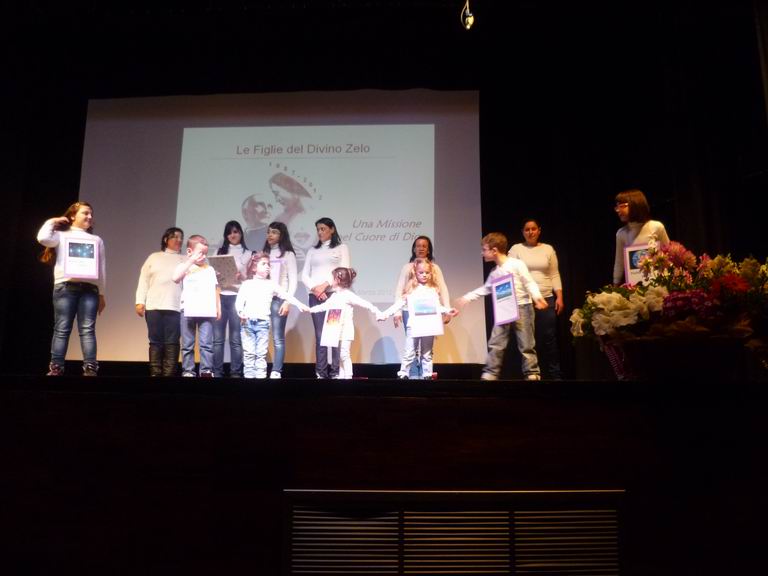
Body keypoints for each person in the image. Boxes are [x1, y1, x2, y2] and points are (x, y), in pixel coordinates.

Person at [455, 232, 548, 381]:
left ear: (494, 250)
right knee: (496, 342)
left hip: (522, 306)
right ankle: (491, 372)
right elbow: (486, 288)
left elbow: (528, 281)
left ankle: (532, 372)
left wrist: (537, 297)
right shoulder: (495, 272)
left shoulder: (516, 264)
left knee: (526, 343)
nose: (482, 253)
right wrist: (467, 297)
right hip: (504, 309)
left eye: (484, 249)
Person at [37, 201, 106, 376]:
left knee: (87, 329)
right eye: (85, 213)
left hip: (89, 289)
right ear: (73, 216)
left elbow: (102, 269)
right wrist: (53, 221)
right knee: (62, 328)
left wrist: (102, 294)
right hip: (65, 287)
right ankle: (56, 367)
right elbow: (43, 238)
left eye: (91, 214)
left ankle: (90, 367)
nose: (90, 217)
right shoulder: (61, 235)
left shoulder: (96, 240)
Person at [236, 252, 309, 379]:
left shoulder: (271, 284)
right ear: (254, 267)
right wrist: (240, 312)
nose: (267, 266)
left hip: (263, 324)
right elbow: (239, 301)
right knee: (249, 354)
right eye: (263, 264)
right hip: (247, 323)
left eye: (268, 264)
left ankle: (260, 379)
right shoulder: (247, 284)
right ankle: (248, 379)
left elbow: (286, 295)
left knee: (260, 354)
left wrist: (299, 304)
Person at [381, 258, 457, 380]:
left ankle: (427, 374)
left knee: (427, 352)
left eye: (427, 272)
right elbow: (400, 304)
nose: (424, 275)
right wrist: (385, 314)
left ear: (431, 273)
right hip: (414, 325)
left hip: (429, 325)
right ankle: (403, 373)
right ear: (415, 273)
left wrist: (448, 310)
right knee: (410, 350)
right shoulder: (411, 289)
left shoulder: (433, 290)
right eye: (421, 272)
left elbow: (436, 307)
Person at [508, 219, 564, 380]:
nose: (530, 232)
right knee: (526, 341)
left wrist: (559, 297)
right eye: (527, 229)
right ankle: (530, 374)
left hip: (546, 298)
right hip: (524, 301)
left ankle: (555, 375)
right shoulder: (516, 249)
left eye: (533, 229)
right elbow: (508, 272)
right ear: (522, 232)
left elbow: (554, 274)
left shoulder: (548, 249)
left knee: (549, 337)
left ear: (539, 230)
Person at [392, 235, 451, 378]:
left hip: (429, 311)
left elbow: (443, 288)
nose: (421, 248)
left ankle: (425, 374)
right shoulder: (407, 267)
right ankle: (413, 374)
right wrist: (397, 311)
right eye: (418, 245)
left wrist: (447, 309)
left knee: (426, 346)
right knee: (412, 344)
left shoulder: (434, 268)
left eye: (424, 246)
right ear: (414, 249)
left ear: (429, 249)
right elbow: (399, 289)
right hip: (409, 311)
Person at [309, 267, 381, 379]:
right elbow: (324, 306)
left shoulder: (348, 295)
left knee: (344, 354)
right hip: (337, 331)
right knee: (340, 356)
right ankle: (341, 376)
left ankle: (348, 376)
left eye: (333, 278)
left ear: (337, 280)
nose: (331, 281)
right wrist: (309, 309)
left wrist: (376, 311)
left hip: (346, 330)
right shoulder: (335, 296)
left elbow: (364, 303)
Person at [301, 217, 351, 378]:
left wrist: (325, 285)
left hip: (334, 295)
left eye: (323, 229)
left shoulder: (341, 248)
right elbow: (304, 275)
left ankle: (335, 372)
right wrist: (316, 289)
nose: (320, 232)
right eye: (318, 229)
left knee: (334, 334)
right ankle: (321, 373)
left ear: (332, 229)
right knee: (320, 335)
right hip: (315, 296)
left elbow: (344, 270)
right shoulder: (312, 250)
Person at [135, 227, 186, 377]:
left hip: (175, 306)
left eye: (181, 237)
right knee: (155, 341)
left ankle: (169, 376)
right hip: (154, 306)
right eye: (175, 237)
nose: (179, 240)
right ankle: (155, 374)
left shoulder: (184, 259)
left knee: (172, 342)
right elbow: (143, 280)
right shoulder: (154, 257)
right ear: (166, 239)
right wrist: (139, 301)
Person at [173, 235, 220, 377]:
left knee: (206, 344)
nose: (203, 256)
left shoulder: (210, 269)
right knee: (187, 344)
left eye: (205, 253)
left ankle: (206, 370)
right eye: (200, 253)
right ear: (189, 251)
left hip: (206, 310)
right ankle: (188, 371)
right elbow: (175, 278)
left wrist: (218, 307)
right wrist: (191, 260)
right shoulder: (184, 267)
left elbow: (215, 289)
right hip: (188, 309)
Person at [213, 220, 252, 378]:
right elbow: (212, 275)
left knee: (236, 339)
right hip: (221, 296)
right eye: (229, 232)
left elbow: (250, 279)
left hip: (238, 297)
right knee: (218, 339)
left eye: (235, 231)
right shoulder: (219, 251)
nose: (232, 235)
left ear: (241, 233)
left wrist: (241, 277)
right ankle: (217, 372)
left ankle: (236, 372)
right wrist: (216, 274)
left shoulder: (248, 253)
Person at [262, 221, 298, 379]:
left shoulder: (288, 254)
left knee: (277, 337)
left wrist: (287, 301)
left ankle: (276, 370)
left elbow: (293, 281)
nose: (270, 235)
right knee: (261, 335)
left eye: (274, 232)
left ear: (281, 235)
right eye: (269, 231)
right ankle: (260, 368)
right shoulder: (263, 254)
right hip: (262, 300)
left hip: (279, 300)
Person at [613, 189, 670, 285]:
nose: (618, 210)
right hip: (636, 287)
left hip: (659, 284)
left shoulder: (656, 227)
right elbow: (619, 262)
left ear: (635, 204)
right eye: (617, 207)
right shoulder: (621, 234)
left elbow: (669, 254)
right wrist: (615, 283)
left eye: (622, 206)